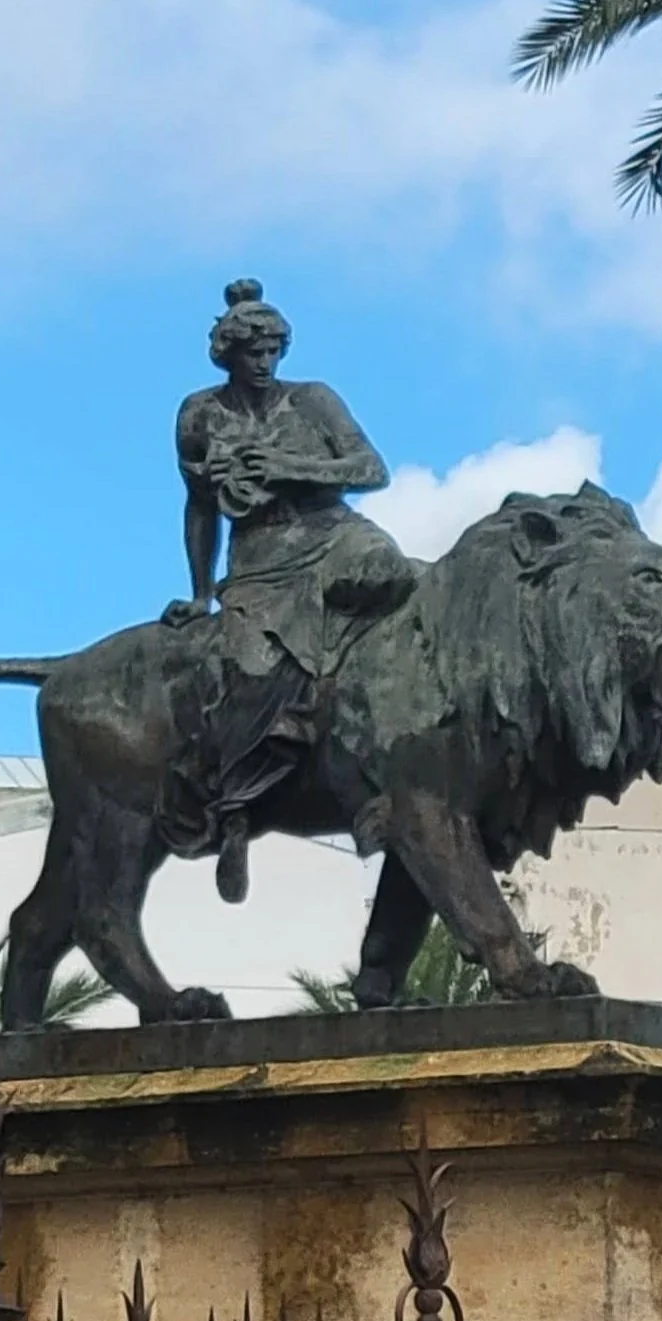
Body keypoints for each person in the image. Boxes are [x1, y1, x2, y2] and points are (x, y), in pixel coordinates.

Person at [160, 281, 419, 899]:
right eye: (253, 348)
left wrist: (290, 469)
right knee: (251, 669)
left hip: (336, 535)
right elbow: (200, 508)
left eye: (274, 347)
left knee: (396, 583)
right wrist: (200, 594)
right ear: (229, 352)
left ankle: (400, 742)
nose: (265, 359)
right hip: (261, 558)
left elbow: (370, 469)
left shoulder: (313, 401)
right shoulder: (200, 413)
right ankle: (239, 807)